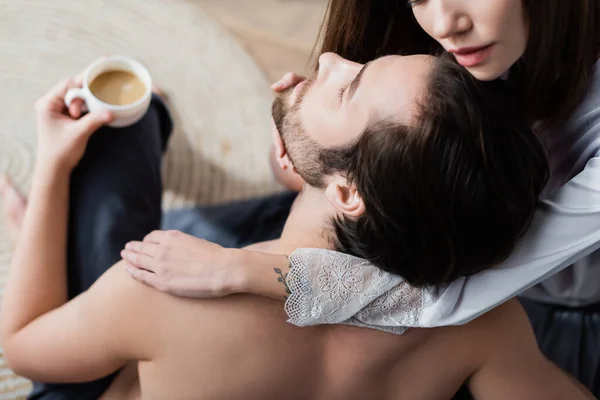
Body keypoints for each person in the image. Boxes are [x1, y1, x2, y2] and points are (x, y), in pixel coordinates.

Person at [2, 53, 590, 399]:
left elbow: (23, 346)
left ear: (345, 192)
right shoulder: (488, 326)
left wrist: (53, 165)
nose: (330, 60)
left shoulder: (157, 295)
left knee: (116, 127)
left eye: (345, 88)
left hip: (99, 364)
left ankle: (122, 140)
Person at [123, 1, 600, 394]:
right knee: (166, 253)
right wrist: (301, 138)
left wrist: (239, 271)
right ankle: (142, 127)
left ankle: (138, 128)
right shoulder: (441, 48)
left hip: (504, 296)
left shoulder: (493, 325)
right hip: (367, 234)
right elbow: (320, 176)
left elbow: (444, 292)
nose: (443, 25)